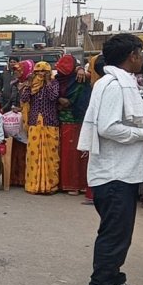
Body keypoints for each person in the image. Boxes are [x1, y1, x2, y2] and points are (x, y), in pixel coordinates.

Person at [78, 33, 143, 285]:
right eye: (141, 53)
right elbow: (108, 128)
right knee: (114, 234)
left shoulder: (123, 83)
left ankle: (113, 281)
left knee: (120, 232)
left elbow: (132, 113)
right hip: (113, 174)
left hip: (123, 172)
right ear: (131, 56)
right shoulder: (114, 85)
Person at [20, 61, 60, 195]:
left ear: (49, 73)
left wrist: (48, 82)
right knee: (34, 154)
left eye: (44, 71)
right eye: (38, 72)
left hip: (50, 122)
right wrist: (29, 84)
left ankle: (50, 185)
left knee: (51, 155)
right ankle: (33, 184)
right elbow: (24, 98)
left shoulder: (54, 83)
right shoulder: (31, 84)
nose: (41, 74)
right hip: (34, 123)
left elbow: (53, 96)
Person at [56, 55, 91, 198]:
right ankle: (67, 183)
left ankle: (78, 185)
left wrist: (65, 102)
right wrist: (58, 99)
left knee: (77, 153)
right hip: (62, 122)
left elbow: (73, 101)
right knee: (65, 153)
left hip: (78, 120)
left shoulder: (80, 80)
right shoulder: (58, 79)